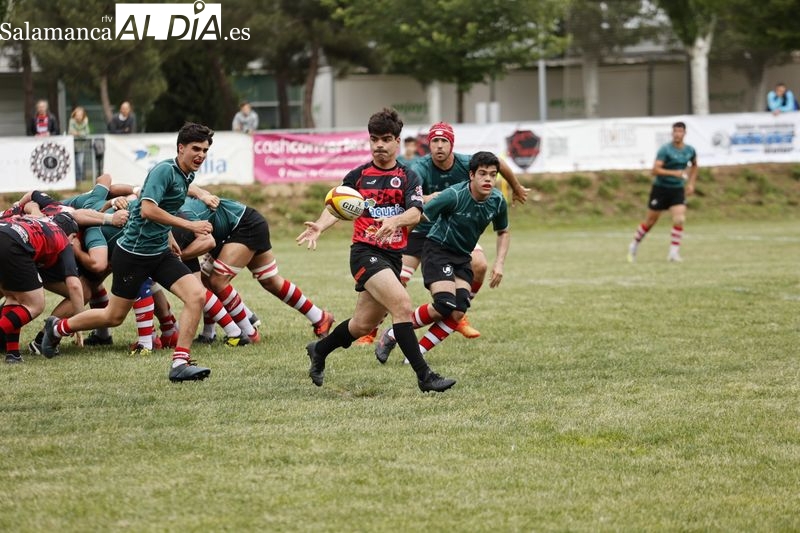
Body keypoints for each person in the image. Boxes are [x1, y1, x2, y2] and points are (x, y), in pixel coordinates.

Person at [41, 122, 217, 383]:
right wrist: (190, 225)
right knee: (113, 317)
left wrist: (168, 237)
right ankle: (57, 327)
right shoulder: (163, 171)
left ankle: (180, 362)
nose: (201, 155)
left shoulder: (186, 175)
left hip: (158, 253)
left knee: (196, 296)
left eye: (204, 150)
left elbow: (159, 207)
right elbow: (147, 209)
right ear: (181, 148)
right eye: (196, 148)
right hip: (133, 255)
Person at [296, 107, 456, 393]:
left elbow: (416, 213)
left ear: (397, 141)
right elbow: (337, 207)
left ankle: (319, 350)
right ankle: (425, 376)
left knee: (361, 325)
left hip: (393, 255)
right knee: (402, 306)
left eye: (385, 139)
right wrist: (320, 226)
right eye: (374, 139)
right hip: (364, 252)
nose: (379, 145)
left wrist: (395, 220)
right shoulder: (357, 176)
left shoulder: (408, 178)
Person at [355, 121, 528, 345]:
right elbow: (410, 198)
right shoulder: (420, 167)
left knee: (480, 265)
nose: (438, 146)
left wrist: (516, 187)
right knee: (398, 279)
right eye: (434, 141)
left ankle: (459, 316)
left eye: (443, 141)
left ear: (451, 144)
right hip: (420, 227)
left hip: (451, 229)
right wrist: (433, 197)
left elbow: (498, 163)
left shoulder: (467, 163)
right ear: (429, 144)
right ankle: (373, 329)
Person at [375, 151, 510, 364]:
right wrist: (396, 232)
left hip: (462, 257)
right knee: (444, 304)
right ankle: (392, 333)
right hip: (437, 250)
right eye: (482, 174)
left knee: (456, 314)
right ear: (471, 175)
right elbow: (419, 215)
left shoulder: (497, 200)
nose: (488, 179)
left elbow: (503, 231)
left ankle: (415, 354)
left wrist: (499, 263)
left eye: (493, 175)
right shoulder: (454, 195)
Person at [180, 195, 335, 340]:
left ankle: (249, 333)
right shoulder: (175, 199)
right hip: (236, 226)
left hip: (244, 226)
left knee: (217, 280)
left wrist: (179, 256)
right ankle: (320, 317)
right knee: (270, 281)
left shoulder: (180, 210)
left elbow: (206, 241)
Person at [0, 213, 83, 364]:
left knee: (14, 298)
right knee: (35, 305)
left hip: (6, 233)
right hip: (12, 244)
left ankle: (13, 354)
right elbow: (75, 286)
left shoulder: (39, 220)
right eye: (73, 238)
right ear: (70, 234)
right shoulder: (62, 237)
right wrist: (79, 324)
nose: (71, 243)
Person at [627, 121, 697, 263]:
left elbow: (695, 165)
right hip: (661, 189)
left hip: (677, 189)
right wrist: (674, 173)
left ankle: (673, 253)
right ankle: (634, 244)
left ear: (684, 133)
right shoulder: (665, 150)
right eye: (675, 131)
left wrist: (691, 183)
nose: (677, 134)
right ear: (672, 133)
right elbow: (655, 170)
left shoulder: (690, 150)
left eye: (680, 131)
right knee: (650, 222)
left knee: (679, 219)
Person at [68, 106, 91, 181]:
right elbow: (70, 132)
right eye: (77, 115)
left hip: (81, 147)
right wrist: (80, 134)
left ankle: (79, 180)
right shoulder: (71, 121)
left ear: (83, 116)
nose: (78, 117)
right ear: (74, 115)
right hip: (72, 147)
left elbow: (86, 133)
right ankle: (73, 180)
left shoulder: (85, 122)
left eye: (80, 115)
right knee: (73, 164)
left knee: (79, 164)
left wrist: (77, 133)